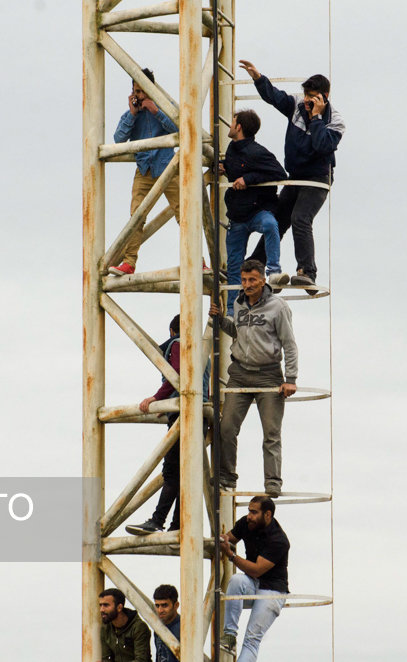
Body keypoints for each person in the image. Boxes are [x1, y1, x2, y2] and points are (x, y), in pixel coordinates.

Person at [239, 60, 346, 295]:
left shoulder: (335, 121)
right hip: (295, 177)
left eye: (313, 97)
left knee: (300, 218)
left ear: (325, 97)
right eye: (306, 95)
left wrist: (317, 118)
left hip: (316, 180)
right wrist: (258, 78)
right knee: (277, 220)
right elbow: (275, 97)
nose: (307, 101)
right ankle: (253, 268)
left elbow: (321, 146)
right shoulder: (297, 105)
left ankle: (307, 272)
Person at [209, 260, 297, 497]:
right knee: (226, 427)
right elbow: (237, 332)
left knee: (271, 433)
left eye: (252, 280)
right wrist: (219, 320)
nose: (247, 285)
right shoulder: (238, 303)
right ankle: (227, 476)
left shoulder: (278, 307)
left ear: (263, 280)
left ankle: (273, 483)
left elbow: (289, 344)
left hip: (269, 374)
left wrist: (291, 378)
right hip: (239, 373)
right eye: (244, 280)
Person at [110, 69, 206, 276]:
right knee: (136, 216)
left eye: (144, 90)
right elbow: (118, 139)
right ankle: (129, 263)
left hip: (168, 168)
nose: (141, 95)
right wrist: (133, 114)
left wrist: (156, 111)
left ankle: (198, 260)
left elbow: (180, 129)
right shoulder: (130, 114)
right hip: (144, 170)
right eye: (137, 91)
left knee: (185, 213)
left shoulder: (164, 106)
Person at [126, 315, 210, 535]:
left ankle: (157, 520)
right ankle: (177, 523)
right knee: (187, 471)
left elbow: (177, 376)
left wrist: (156, 399)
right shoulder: (203, 353)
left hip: (183, 413)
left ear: (172, 331)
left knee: (172, 471)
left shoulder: (176, 344)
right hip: (201, 412)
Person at [220, 109, 289, 314]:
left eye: (233, 122)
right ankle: (234, 313)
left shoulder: (258, 152)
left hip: (258, 209)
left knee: (270, 225)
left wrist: (248, 180)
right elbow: (236, 169)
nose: (230, 125)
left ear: (239, 127)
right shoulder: (232, 149)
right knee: (234, 266)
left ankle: (274, 272)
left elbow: (280, 173)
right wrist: (224, 168)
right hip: (238, 215)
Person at [217, 496, 289, 662]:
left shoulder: (279, 540)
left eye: (254, 512)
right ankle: (229, 637)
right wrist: (222, 540)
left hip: (273, 591)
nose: (249, 515)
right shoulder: (246, 523)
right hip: (253, 584)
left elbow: (257, 570)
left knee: (251, 640)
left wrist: (231, 555)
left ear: (267, 515)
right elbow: (229, 538)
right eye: (249, 511)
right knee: (236, 580)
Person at [99, 588, 152, 662]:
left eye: (106, 605)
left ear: (119, 607)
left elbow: (141, 660)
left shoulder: (138, 627)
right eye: (100, 605)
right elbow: (106, 659)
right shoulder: (105, 628)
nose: (102, 609)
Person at [152, 584, 181, 662]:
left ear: (176, 605)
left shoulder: (184, 628)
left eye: (164, 605)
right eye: (157, 606)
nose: (160, 610)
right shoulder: (158, 628)